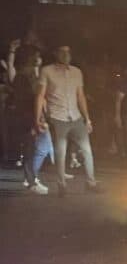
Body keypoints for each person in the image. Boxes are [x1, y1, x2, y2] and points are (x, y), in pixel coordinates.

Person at [36, 45, 99, 196]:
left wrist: (87, 118)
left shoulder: (76, 72)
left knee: (87, 150)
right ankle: (61, 185)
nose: (66, 55)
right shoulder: (47, 71)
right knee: (60, 153)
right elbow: (40, 96)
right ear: (55, 53)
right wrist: (37, 118)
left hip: (75, 117)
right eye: (62, 52)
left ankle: (91, 183)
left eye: (68, 52)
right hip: (57, 117)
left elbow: (81, 96)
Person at [9, 43, 53, 194]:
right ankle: (31, 181)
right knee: (31, 149)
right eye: (36, 56)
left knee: (37, 148)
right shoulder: (25, 77)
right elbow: (31, 99)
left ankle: (31, 178)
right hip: (29, 117)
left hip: (29, 116)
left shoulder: (28, 75)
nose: (39, 59)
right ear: (30, 58)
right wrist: (36, 120)